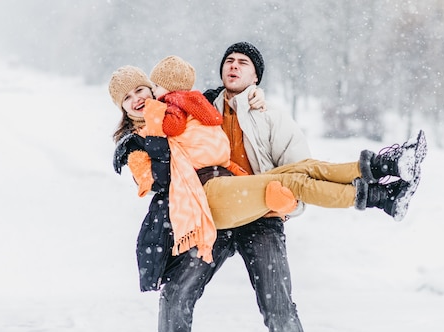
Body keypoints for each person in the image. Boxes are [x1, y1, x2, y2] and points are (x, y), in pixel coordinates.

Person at [118, 55, 424, 262]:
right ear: (122, 108)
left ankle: (388, 166)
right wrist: (156, 134)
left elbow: (214, 98)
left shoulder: (176, 107)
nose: (138, 99)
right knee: (292, 182)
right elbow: (158, 182)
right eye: (128, 98)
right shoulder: (134, 143)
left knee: (305, 167)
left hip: (232, 182)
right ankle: (378, 197)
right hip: (205, 198)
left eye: (141, 90)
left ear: (155, 89)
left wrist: (253, 94)